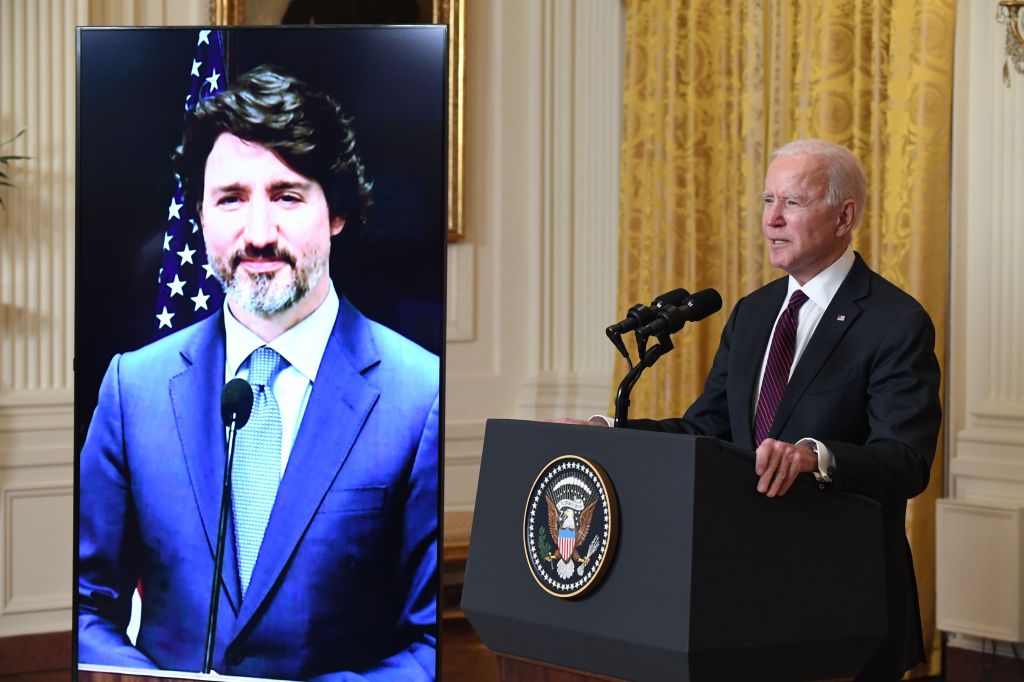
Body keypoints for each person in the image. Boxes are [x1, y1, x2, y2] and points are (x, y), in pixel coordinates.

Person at [78, 65, 439, 680]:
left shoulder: (421, 394)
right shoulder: (130, 389)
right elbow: (83, 606)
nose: (259, 234)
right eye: (231, 199)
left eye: (287, 195)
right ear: (199, 215)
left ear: (337, 213)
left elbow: (433, 641)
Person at [559, 139, 940, 680]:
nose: (772, 220)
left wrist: (814, 456)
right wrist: (611, 435)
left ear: (844, 216)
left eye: (793, 203)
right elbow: (706, 429)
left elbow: (906, 460)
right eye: (767, 201)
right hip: (746, 594)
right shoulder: (754, 312)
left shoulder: (894, 321)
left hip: (844, 598)